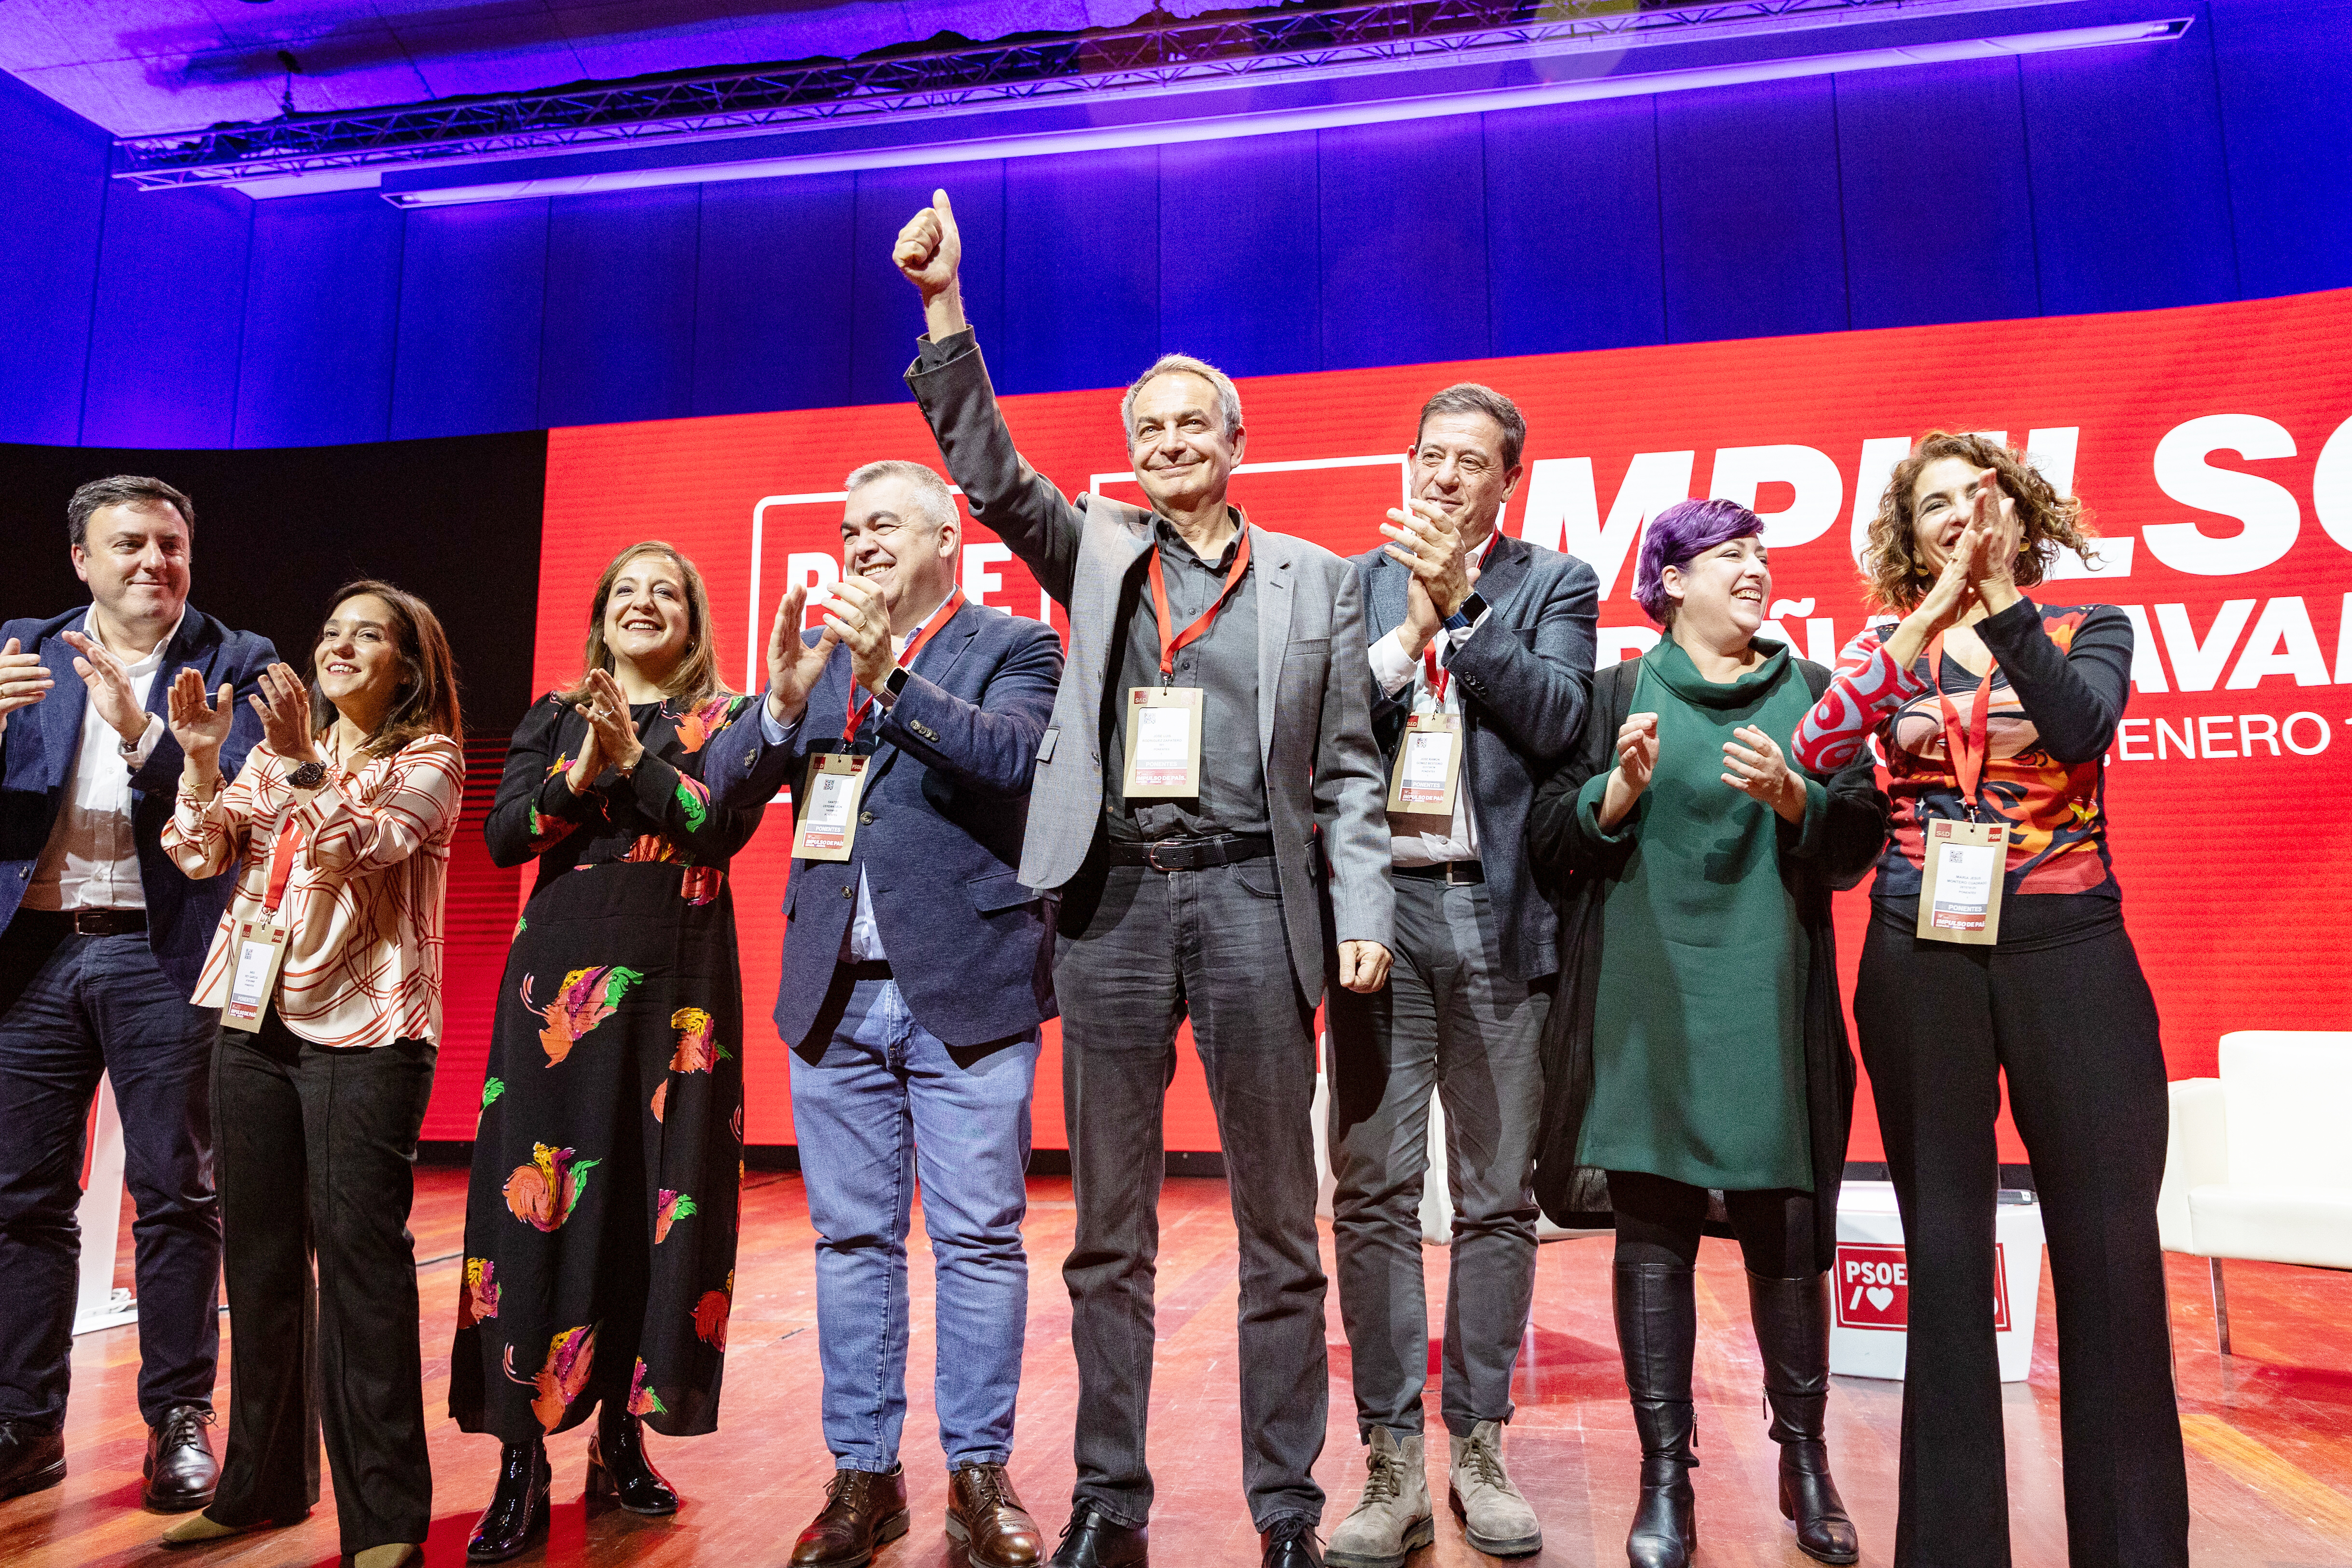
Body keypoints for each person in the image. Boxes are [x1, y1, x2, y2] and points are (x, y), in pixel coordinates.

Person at [893, 188, 1393, 1568]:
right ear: (1132, 455)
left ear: (1238, 446)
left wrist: (1363, 911)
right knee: (1107, 1232)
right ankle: (1110, 1501)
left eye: (1194, 427)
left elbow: (1350, 768)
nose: (1171, 445)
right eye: (1149, 430)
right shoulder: (1098, 552)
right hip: (1113, 903)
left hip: (1251, 901)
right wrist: (947, 309)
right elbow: (992, 475)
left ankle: (1285, 1510)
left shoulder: (1318, 581)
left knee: (1277, 1229)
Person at [1789, 433, 2187, 1568]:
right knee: (1949, 1267)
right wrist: (1911, 636)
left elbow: (2077, 728)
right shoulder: (1885, 647)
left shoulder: (2085, 626)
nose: (1962, 519)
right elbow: (1819, 751)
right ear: (1907, 539)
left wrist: (2002, 599)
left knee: (2111, 1261)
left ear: (2019, 511)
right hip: (1923, 959)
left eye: (1981, 496)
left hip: (2073, 955)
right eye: (1935, 509)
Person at [704, 460, 1063, 1568]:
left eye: (881, 526)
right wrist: (773, 704)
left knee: (978, 1237)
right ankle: (864, 1471)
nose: (856, 543)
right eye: (847, 528)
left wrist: (891, 677)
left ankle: (977, 1470)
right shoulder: (813, 666)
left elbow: (1013, 759)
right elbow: (715, 802)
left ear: (946, 539)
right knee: (851, 1239)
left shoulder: (1016, 644)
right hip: (835, 995)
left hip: (966, 984)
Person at [1526, 499, 1887, 1568]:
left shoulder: (1814, 692)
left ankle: (1805, 1457)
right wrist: (1615, 788)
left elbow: (1857, 831)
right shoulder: (1608, 697)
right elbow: (1552, 839)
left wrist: (1795, 797)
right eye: (1732, 556)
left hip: (1767, 995)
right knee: (1655, 1230)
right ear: (1670, 579)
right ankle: (1662, 1473)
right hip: (1644, 997)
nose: (1757, 570)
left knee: (1783, 1222)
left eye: (1761, 555)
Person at [1323, 384, 1597, 1568]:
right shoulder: (1354, 580)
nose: (1441, 477)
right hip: (1380, 918)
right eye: (1429, 455)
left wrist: (1465, 610)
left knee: (1494, 1198)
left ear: (1507, 481)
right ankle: (1389, 1456)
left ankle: (1478, 1442)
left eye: (1469, 462)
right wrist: (1408, 620)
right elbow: (1320, 724)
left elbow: (1557, 721)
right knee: (1374, 1190)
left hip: (1494, 918)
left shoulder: (1553, 583)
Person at [450, 541, 764, 1562]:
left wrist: (637, 760)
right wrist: (587, 765)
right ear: (600, 614)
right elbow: (505, 838)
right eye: (625, 590)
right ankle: (521, 1456)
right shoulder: (555, 713)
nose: (643, 603)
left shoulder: (732, 718)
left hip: (681, 988)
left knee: (651, 1202)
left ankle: (620, 1435)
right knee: (532, 1208)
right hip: (559, 992)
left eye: (664, 591)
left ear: (692, 617)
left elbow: (715, 827)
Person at [153, 583, 464, 1568]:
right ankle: (259, 1483)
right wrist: (204, 760)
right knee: (259, 1261)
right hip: (252, 1017)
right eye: (330, 630)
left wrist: (293, 761)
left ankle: (385, 1519)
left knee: (362, 1270)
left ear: (407, 667)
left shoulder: (434, 760)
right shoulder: (286, 749)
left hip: (367, 1030)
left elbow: (365, 845)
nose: (337, 646)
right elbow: (199, 851)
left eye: (365, 635)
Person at [0, 476, 277, 1511]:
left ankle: (177, 1420)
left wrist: (145, 733)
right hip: (32, 949)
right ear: (82, 559)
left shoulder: (235, 658)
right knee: (21, 1199)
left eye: (170, 544)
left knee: (176, 1192)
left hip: (159, 952)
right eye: (129, 545)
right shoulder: (23, 646)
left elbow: (252, 792)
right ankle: (26, 1421)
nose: (153, 562)